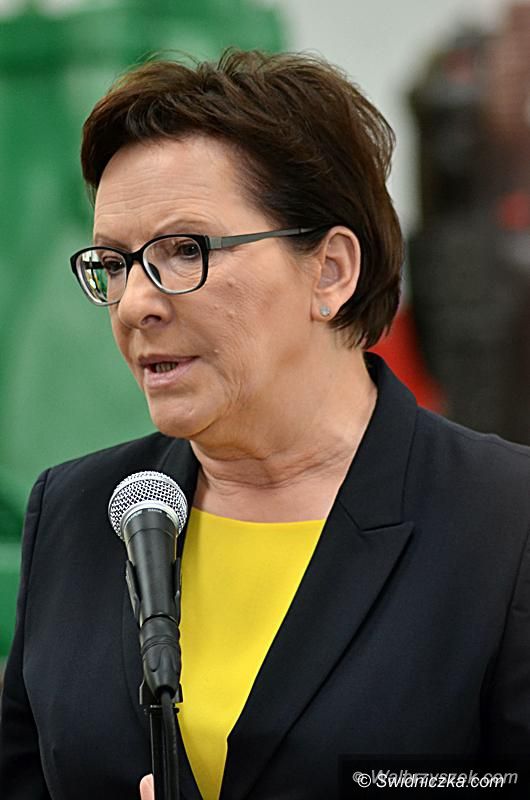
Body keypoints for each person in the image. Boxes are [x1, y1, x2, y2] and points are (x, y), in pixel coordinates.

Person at [1, 49, 530, 800]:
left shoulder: (505, 520)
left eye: (183, 251)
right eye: (114, 264)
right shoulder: (76, 513)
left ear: (331, 271)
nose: (135, 304)